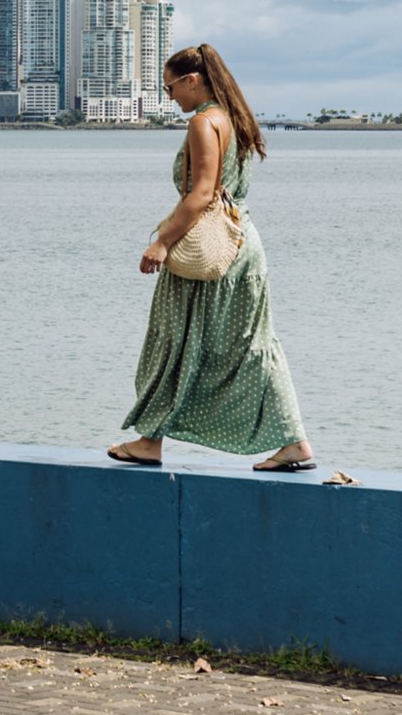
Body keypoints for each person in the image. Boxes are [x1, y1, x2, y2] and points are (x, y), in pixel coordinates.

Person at [108, 44, 314, 472]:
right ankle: (294, 441)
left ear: (192, 80)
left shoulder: (204, 123)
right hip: (241, 244)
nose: (170, 98)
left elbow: (202, 193)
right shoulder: (234, 119)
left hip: (207, 250)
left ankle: (150, 442)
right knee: (250, 345)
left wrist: (162, 242)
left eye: (170, 88)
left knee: (173, 341)